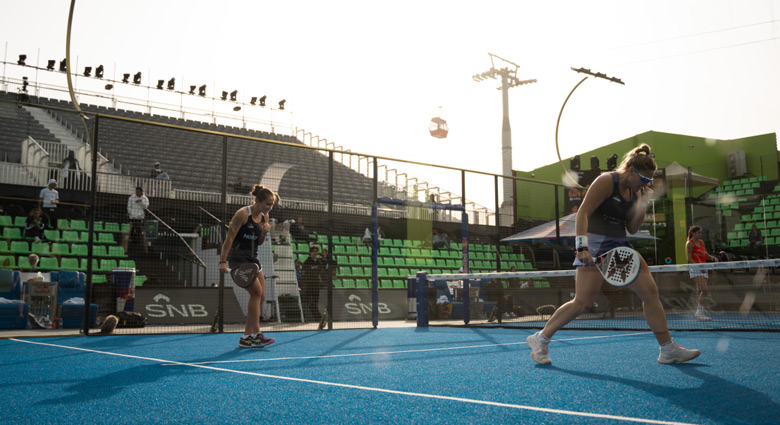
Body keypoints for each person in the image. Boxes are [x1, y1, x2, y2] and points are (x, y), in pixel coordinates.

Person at [526, 144, 700, 365]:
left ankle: (667, 349)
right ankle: (540, 339)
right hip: (595, 246)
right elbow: (583, 212)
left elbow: (633, 228)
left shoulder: (636, 193)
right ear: (630, 170)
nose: (647, 184)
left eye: (650, 181)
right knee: (582, 302)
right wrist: (582, 247)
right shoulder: (606, 181)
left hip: (620, 247)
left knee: (650, 292)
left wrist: (644, 204)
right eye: (645, 179)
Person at [218, 184, 277, 349]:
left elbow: (258, 242)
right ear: (257, 201)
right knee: (256, 293)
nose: (269, 207)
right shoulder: (242, 214)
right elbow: (229, 238)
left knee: (262, 297)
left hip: (253, 259)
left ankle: (246, 337)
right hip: (238, 258)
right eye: (267, 204)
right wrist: (223, 261)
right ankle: (257, 335)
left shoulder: (265, 217)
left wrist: (264, 232)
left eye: (271, 204)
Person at [686, 225, 719, 322]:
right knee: (705, 290)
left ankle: (700, 313)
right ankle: (699, 312)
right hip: (695, 268)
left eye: (701, 232)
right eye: (699, 232)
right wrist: (699, 267)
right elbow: (689, 258)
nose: (701, 234)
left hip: (704, 268)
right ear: (693, 233)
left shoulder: (701, 242)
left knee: (700, 291)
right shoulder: (689, 243)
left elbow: (704, 254)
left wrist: (712, 257)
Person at [300, 245, 324, 321]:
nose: (315, 253)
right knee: (308, 303)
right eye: (313, 251)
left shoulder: (319, 262)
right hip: (309, 285)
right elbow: (303, 274)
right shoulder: (307, 262)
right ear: (310, 253)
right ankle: (316, 318)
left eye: (316, 251)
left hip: (316, 285)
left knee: (315, 303)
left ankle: (318, 319)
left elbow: (321, 271)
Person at [127, 187, 150, 255]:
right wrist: (130, 213)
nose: (136, 192)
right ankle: (131, 240)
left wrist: (141, 202)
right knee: (131, 229)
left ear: (141, 192)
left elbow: (145, 207)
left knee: (139, 230)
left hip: (140, 217)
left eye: (138, 191)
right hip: (133, 217)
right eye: (136, 191)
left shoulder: (145, 198)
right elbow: (129, 206)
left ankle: (139, 242)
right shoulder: (131, 198)